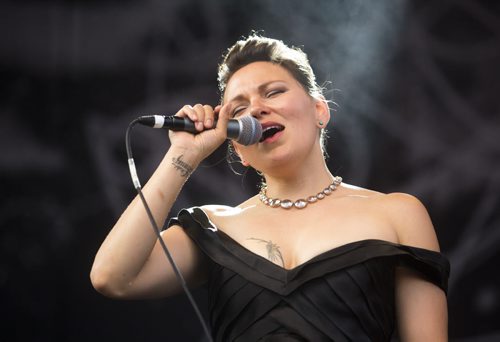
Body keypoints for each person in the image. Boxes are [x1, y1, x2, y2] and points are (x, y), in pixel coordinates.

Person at [91, 34, 450, 341]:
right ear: (237, 147)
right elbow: (112, 277)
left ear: (320, 110)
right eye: (239, 109)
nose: (257, 110)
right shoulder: (213, 227)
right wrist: (183, 156)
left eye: (273, 92)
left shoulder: (397, 214)